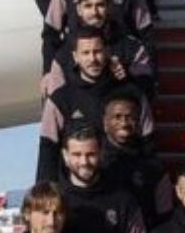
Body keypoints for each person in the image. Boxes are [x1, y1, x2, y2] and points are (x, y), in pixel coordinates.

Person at [36, 33, 149, 182]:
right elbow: (48, 147)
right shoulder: (61, 99)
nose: (92, 59)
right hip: (76, 190)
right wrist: (44, 188)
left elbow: (148, 141)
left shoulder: (131, 94)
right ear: (75, 57)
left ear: (107, 52)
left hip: (123, 186)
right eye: (86, 53)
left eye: (97, 52)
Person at [101, 92, 173, 230]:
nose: (124, 123)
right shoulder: (94, 161)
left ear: (139, 122)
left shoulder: (154, 169)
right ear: (105, 123)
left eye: (130, 117)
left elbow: (165, 217)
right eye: (117, 117)